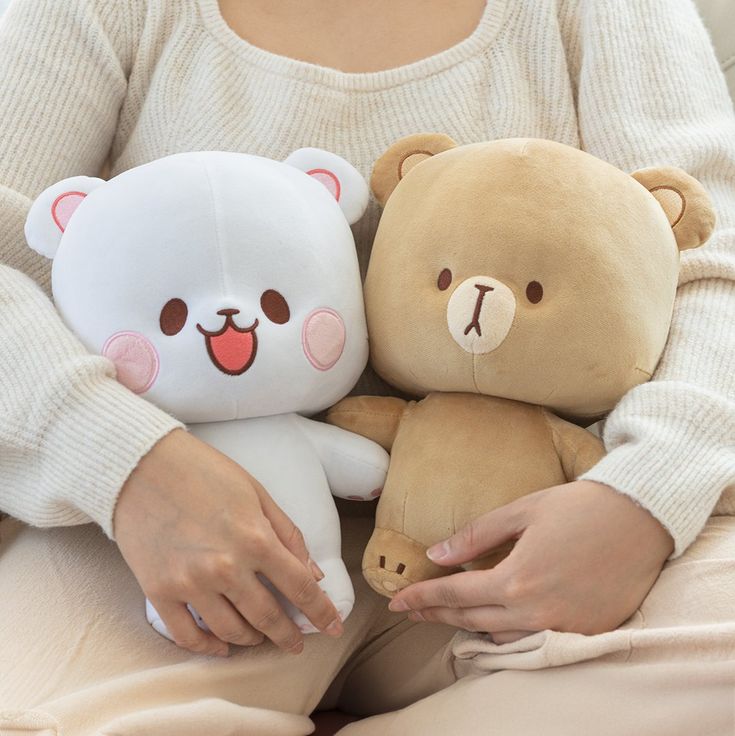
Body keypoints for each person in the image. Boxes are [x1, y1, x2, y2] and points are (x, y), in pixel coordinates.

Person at [0, 1, 734, 734]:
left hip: (548, 527)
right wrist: (125, 465)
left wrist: (641, 499)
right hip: (179, 530)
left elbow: (712, 255)